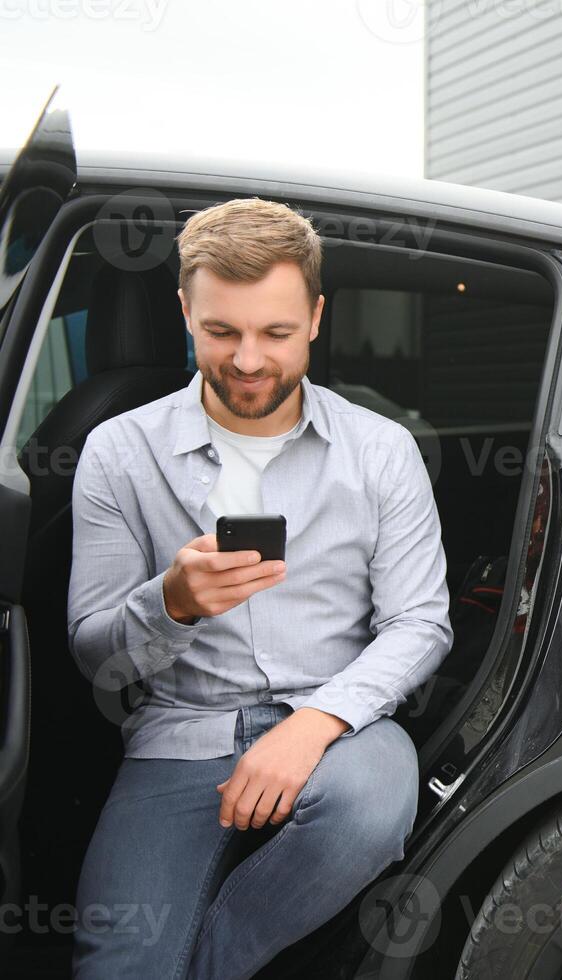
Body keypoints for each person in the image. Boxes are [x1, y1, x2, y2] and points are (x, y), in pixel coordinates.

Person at [67, 198, 453, 979]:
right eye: (221, 332)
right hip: (179, 733)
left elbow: (420, 624)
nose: (248, 360)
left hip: (341, 724)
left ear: (314, 317)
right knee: (115, 965)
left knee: (370, 806)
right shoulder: (117, 451)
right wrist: (169, 602)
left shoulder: (381, 450)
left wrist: (310, 726)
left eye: (275, 333)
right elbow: (91, 650)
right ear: (185, 311)